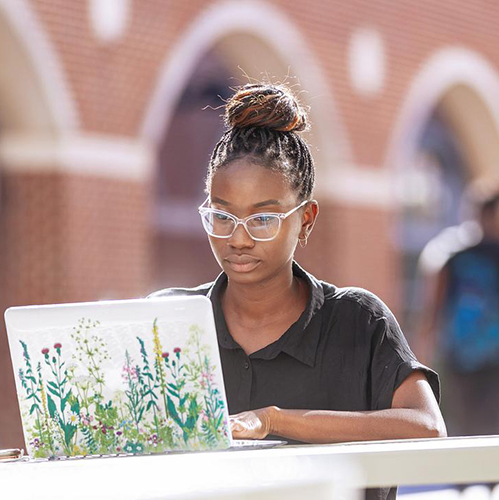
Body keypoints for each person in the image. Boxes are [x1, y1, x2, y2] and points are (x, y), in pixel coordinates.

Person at [151, 83, 446, 500]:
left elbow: (427, 429)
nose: (238, 239)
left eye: (263, 219)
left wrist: (274, 421)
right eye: (221, 215)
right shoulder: (168, 320)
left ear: (305, 219)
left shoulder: (357, 321)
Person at [416, 184, 499, 436]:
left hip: (492, 361)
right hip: (462, 360)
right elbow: (434, 307)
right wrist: (423, 354)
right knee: (469, 428)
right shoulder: (455, 257)